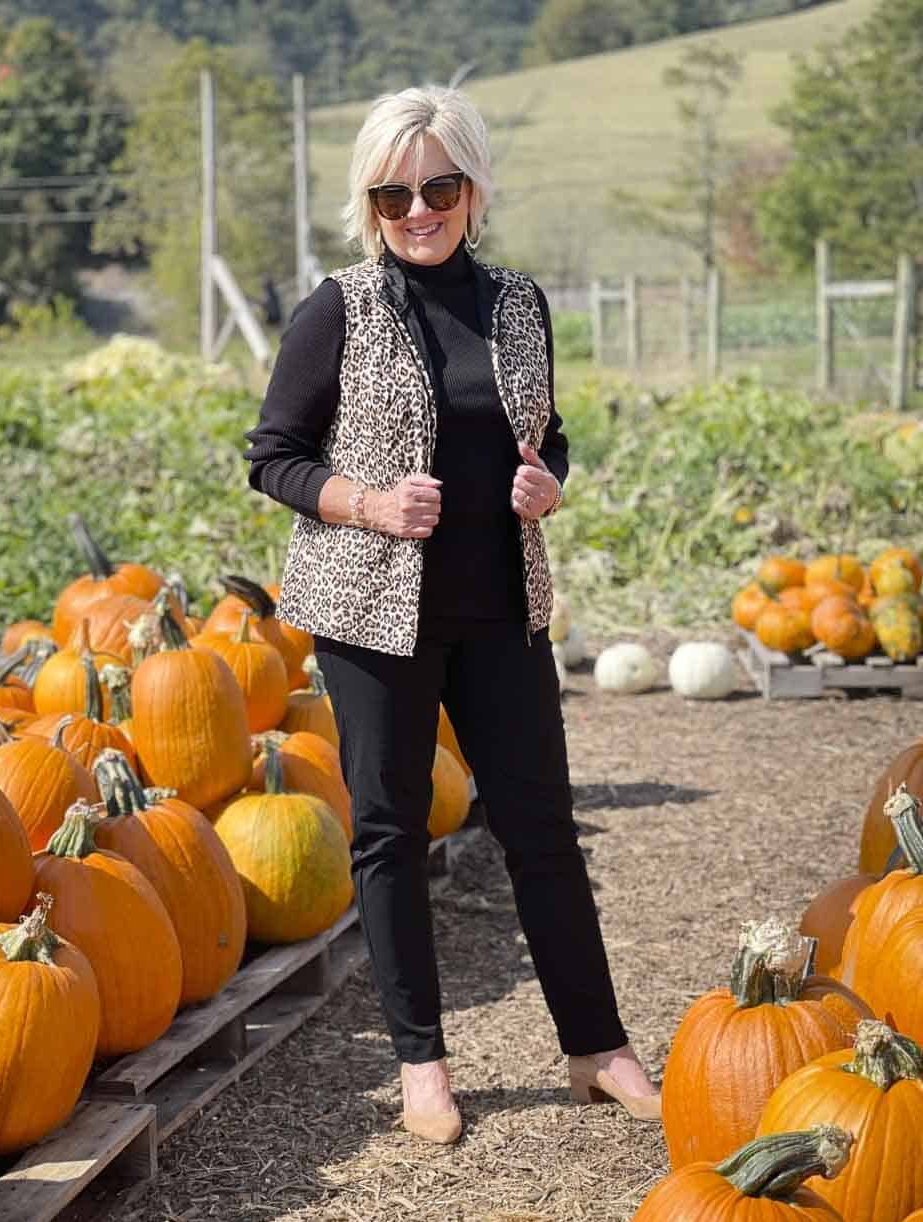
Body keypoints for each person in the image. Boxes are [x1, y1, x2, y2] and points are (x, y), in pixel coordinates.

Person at [243, 84, 660, 1144]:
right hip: (369, 613)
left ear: (474, 189)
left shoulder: (519, 303)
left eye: (439, 188)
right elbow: (274, 458)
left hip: (501, 609)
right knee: (390, 833)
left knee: (541, 827)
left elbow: (547, 433)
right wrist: (368, 503)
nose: (419, 211)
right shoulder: (338, 310)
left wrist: (550, 481)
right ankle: (421, 1062)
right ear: (370, 204)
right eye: (394, 196)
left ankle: (598, 1046)